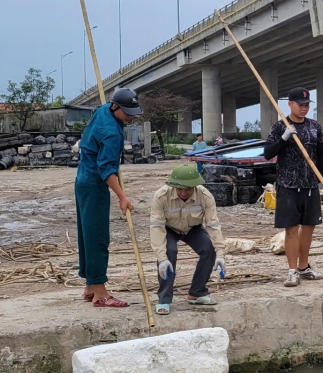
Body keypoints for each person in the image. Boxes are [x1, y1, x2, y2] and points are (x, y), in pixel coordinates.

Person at [75, 87, 142, 308]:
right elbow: (106, 171)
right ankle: (101, 294)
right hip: (94, 184)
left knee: (87, 234)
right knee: (97, 237)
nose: (130, 117)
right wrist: (122, 196)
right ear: (115, 106)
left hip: (82, 179)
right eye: (127, 112)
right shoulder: (112, 133)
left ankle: (90, 286)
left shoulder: (103, 110)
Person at [263, 87, 323, 287]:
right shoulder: (279, 126)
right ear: (290, 104)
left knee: (309, 227)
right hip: (288, 185)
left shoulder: (314, 127)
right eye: (300, 105)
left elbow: (321, 154)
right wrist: (284, 138)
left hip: (310, 184)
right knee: (291, 229)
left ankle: (304, 267)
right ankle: (292, 270)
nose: (304, 108)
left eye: (306, 105)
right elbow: (268, 153)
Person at [149, 164, 228, 315]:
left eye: (188, 189)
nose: (183, 192)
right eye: (179, 189)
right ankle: (164, 299)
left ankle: (197, 292)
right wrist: (161, 257)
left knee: (209, 249)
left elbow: (213, 224)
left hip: (193, 228)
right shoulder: (161, 196)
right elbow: (157, 227)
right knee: (169, 251)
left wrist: (221, 254)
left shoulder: (205, 196)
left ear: (195, 186)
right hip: (168, 228)